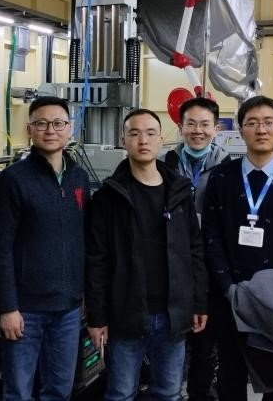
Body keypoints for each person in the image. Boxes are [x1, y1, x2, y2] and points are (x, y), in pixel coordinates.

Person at [86, 108, 209, 401]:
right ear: (123, 140)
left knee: (168, 392)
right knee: (121, 393)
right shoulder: (107, 198)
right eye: (134, 133)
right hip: (125, 313)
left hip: (172, 314)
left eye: (150, 133)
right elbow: (96, 261)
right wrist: (97, 317)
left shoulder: (179, 193)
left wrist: (199, 301)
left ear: (161, 140)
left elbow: (194, 250)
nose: (143, 140)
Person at [202, 95, 273, 401]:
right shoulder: (221, 178)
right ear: (240, 130)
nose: (261, 129)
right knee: (230, 378)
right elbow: (211, 236)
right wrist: (228, 287)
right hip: (231, 295)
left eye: (268, 122)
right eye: (252, 123)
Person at [0, 96, 90, 401]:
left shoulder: (79, 177)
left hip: (69, 309)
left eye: (58, 123)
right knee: (19, 392)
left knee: (59, 390)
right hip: (26, 310)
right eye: (41, 123)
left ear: (70, 128)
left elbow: (84, 240)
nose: (50, 130)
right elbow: (0, 248)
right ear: (29, 129)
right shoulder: (13, 179)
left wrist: (85, 294)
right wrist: (8, 308)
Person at [163, 97, 229, 401]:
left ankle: (201, 393)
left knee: (205, 341)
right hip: (172, 262)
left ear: (216, 129)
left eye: (205, 125)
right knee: (171, 339)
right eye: (191, 124)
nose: (197, 131)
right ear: (180, 126)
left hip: (211, 264)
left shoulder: (227, 167)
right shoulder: (165, 163)